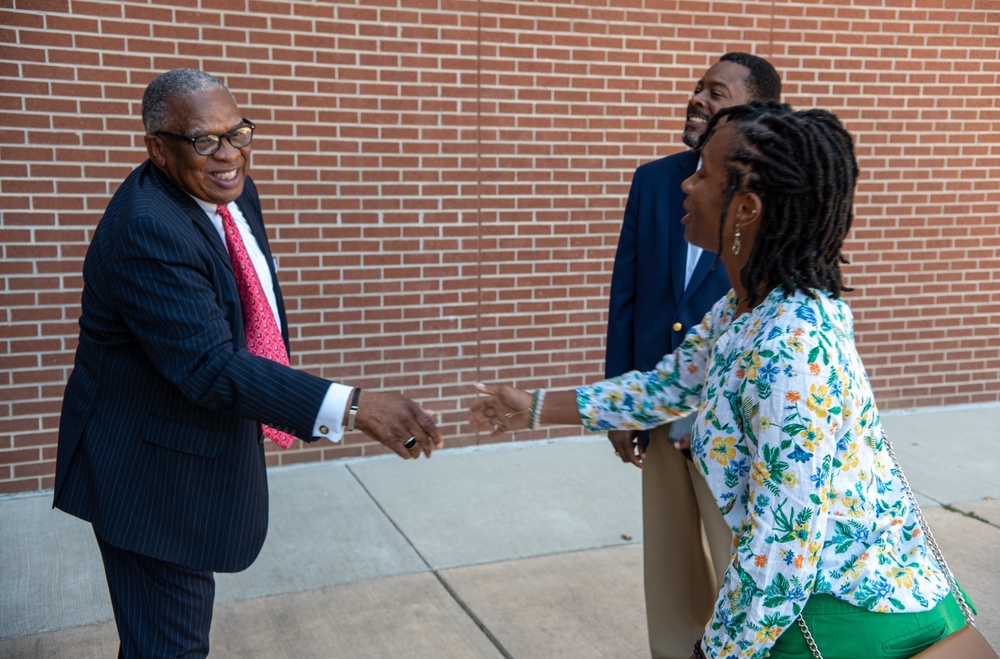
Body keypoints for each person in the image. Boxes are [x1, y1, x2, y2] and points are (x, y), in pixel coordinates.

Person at [471, 102, 973, 658]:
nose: (686, 184)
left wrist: (714, 653)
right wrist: (535, 406)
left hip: (838, 615)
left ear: (748, 208)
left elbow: (783, 545)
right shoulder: (747, 307)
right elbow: (669, 387)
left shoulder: (789, 350)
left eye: (704, 173)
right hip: (828, 594)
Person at [53, 68, 443, 658]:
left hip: (194, 453)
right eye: (204, 140)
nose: (228, 154)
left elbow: (245, 308)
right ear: (157, 148)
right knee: (170, 649)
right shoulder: (146, 231)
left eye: (238, 133)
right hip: (149, 473)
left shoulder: (230, 191)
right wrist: (353, 407)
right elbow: (208, 365)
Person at [604, 52, 781, 659]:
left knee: (739, 560)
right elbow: (625, 293)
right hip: (655, 409)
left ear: (754, 112)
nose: (698, 99)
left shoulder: (775, 206)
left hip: (724, 427)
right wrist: (620, 406)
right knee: (672, 564)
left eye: (716, 92)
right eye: (698, 88)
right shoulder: (656, 179)